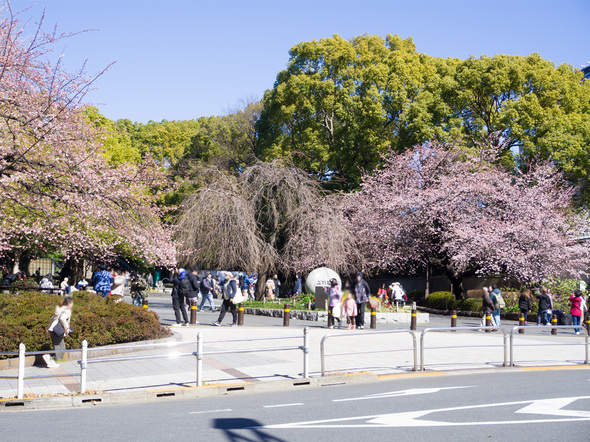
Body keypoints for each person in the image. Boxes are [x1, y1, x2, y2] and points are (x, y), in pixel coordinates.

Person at [44, 296, 73, 367]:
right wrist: (66, 328)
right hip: (58, 330)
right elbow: (62, 319)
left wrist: (48, 328)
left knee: (58, 345)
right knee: (61, 347)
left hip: (53, 330)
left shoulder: (60, 309)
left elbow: (53, 319)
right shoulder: (67, 310)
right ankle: (52, 359)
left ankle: (52, 360)